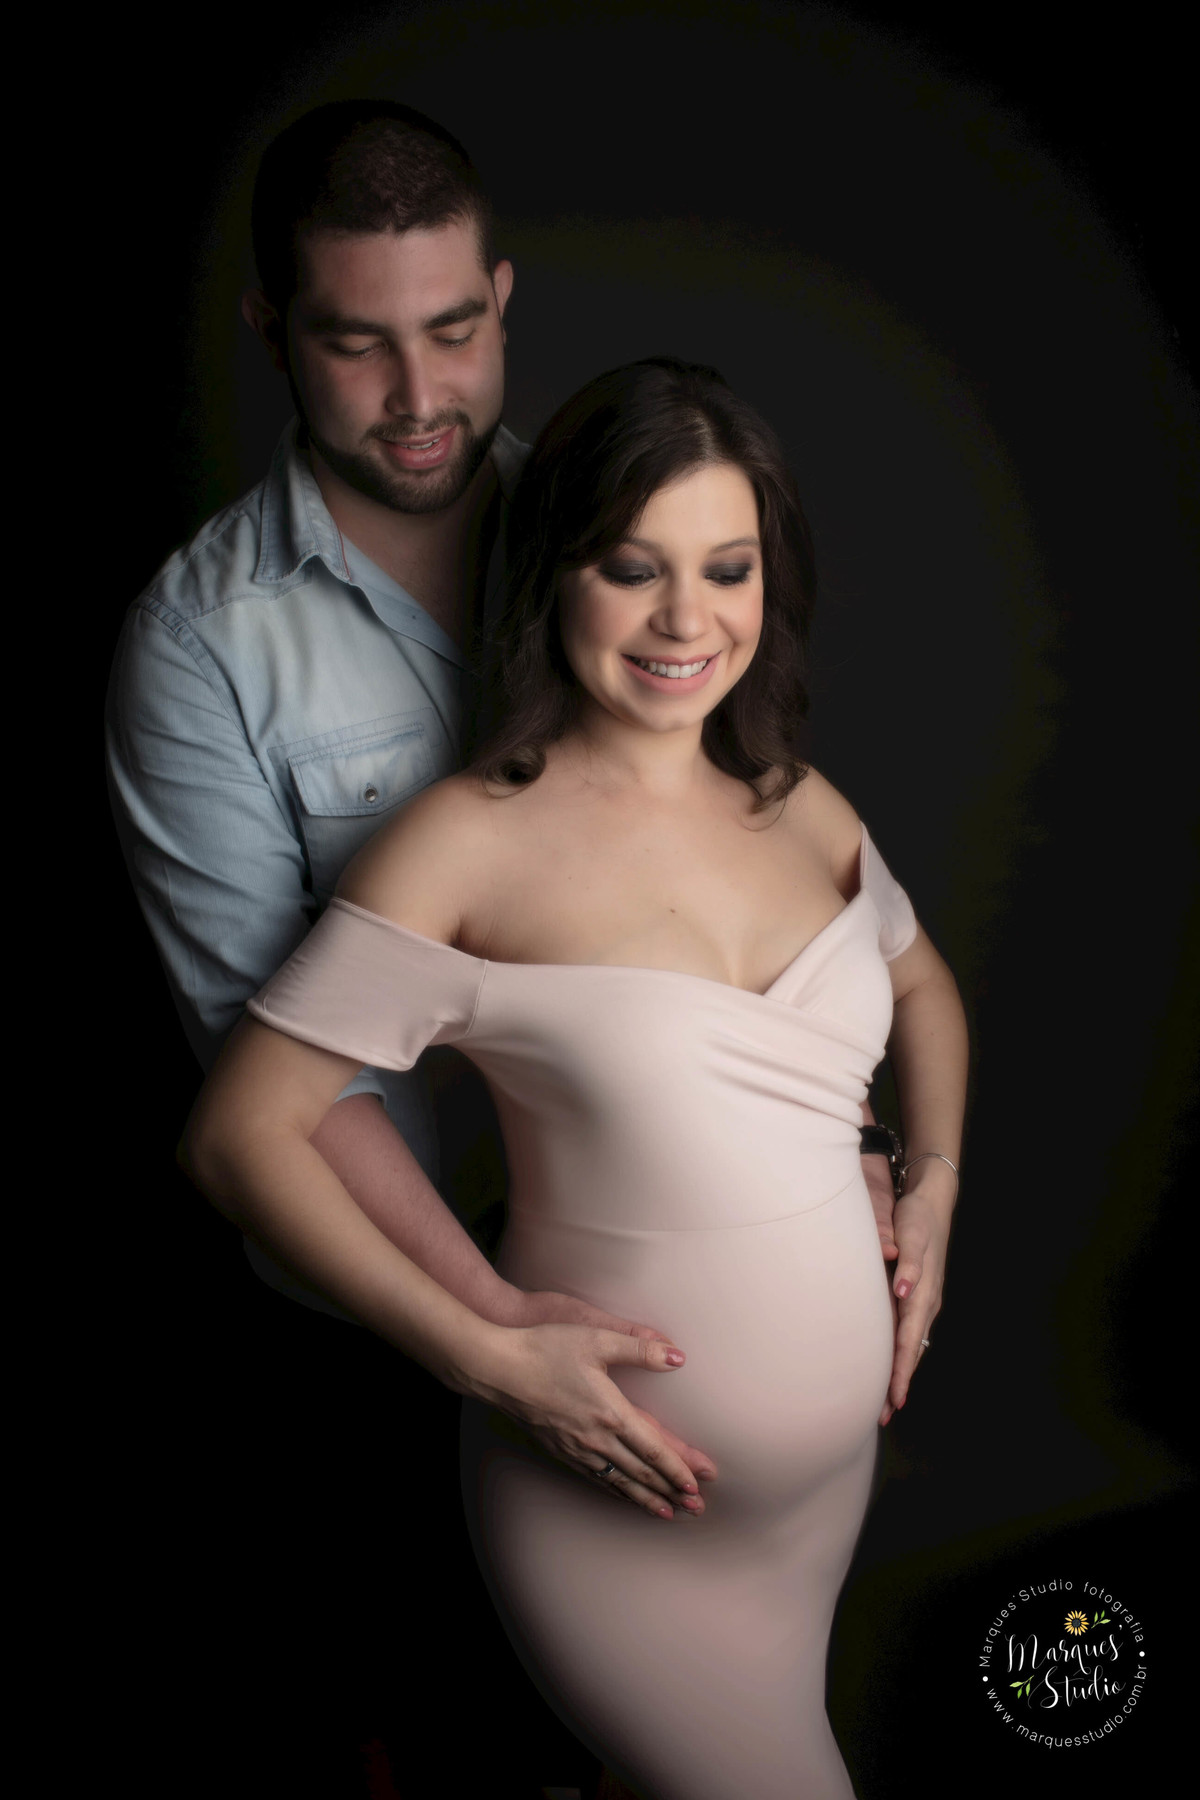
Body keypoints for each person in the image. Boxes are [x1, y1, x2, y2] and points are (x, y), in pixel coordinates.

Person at [180, 356, 969, 1799]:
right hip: (619, 1505)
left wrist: (932, 1187)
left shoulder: (795, 798)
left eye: (728, 568)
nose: (688, 619)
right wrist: (487, 1361)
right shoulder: (467, 844)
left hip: (813, 1507)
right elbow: (242, 1136)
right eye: (632, 567)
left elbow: (919, 985)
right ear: (558, 572)